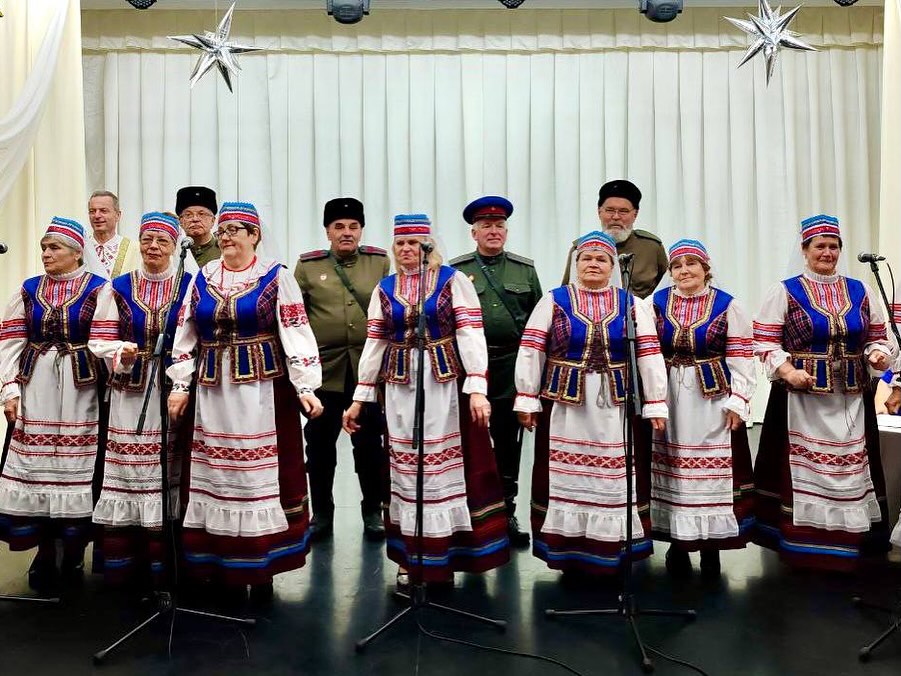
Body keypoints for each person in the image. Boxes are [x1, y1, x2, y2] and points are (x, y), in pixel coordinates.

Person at [342, 214, 510, 590]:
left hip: (443, 386)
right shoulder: (386, 288)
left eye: (414, 242)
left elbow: (470, 332)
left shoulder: (452, 281)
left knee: (443, 470)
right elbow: (376, 342)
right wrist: (360, 398)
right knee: (405, 469)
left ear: (428, 246)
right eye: (400, 243)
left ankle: (447, 554)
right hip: (400, 389)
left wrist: (477, 387)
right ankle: (412, 557)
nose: (406, 249)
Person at [167, 201, 324, 601]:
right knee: (217, 476)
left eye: (235, 230)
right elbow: (186, 332)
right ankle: (219, 564)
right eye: (222, 231)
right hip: (212, 393)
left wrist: (306, 386)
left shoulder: (275, 276)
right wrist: (180, 385)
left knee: (256, 478)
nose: (226, 237)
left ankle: (261, 567)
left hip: (261, 394)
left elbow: (295, 329)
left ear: (255, 235)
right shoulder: (203, 276)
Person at [514, 230, 668, 576]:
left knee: (612, 478)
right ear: (576, 263)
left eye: (601, 259)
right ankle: (570, 551)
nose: (593, 264)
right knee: (568, 477)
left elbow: (648, 353)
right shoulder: (554, 300)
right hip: (566, 407)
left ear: (613, 266)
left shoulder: (630, 303)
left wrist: (656, 401)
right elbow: (532, 348)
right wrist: (526, 397)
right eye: (587, 258)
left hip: (614, 407)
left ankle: (612, 548)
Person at [753, 214, 896, 572]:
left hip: (850, 398)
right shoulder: (785, 291)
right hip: (801, 400)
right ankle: (802, 541)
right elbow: (765, 341)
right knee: (805, 467)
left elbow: (877, 336)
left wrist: (878, 353)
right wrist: (789, 371)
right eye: (820, 246)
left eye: (833, 246)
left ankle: (846, 541)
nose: (827, 253)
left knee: (849, 467)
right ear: (805, 250)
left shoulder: (860, 290)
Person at [0, 217, 111, 591]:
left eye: (54, 248)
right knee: (35, 468)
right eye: (44, 248)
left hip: (80, 391)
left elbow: (105, 340)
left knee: (78, 468)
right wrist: (10, 390)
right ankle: (44, 549)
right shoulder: (30, 289)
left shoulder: (98, 289)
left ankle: (73, 548)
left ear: (77, 253)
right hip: (37, 388)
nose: (46, 254)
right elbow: (10, 342)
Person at [88, 212, 192, 589]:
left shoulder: (189, 285)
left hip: (171, 387)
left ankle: (166, 563)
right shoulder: (119, 286)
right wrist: (121, 351)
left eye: (162, 241)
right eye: (147, 239)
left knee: (167, 468)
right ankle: (127, 561)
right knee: (128, 469)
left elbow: (195, 335)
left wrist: (182, 379)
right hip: (129, 389)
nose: (153, 247)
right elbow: (99, 338)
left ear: (174, 246)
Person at [645, 239, 756, 578]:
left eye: (692, 264)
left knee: (711, 473)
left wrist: (739, 400)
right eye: (677, 266)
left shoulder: (727, 305)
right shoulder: (656, 303)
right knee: (674, 467)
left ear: (706, 269)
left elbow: (741, 356)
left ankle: (711, 546)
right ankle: (678, 543)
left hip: (711, 398)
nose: (684, 271)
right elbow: (646, 350)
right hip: (670, 397)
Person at [294, 197, 390, 541]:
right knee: (319, 447)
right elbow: (296, 320)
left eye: (353, 226)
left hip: (367, 373)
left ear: (361, 230)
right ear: (328, 231)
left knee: (369, 446)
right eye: (339, 227)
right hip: (324, 373)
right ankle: (322, 512)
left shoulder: (379, 262)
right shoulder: (307, 266)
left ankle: (372, 511)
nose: (346, 232)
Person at [450, 196, 542, 548]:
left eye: (499, 225)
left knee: (507, 443)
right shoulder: (457, 271)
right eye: (486, 226)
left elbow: (538, 322)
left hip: (509, 368)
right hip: (467, 369)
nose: (493, 231)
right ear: (473, 233)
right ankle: (469, 515)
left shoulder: (524, 270)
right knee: (468, 442)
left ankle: (506, 513)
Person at [560, 180, 667, 299]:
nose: (616, 217)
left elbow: (668, 289)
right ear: (599, 212)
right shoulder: (581, 248)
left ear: (635, 215)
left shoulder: (652, 247)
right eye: (610, 210)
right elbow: (566, 293)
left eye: (623, 211)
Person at [88, 190, 141, 278]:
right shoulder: (79, 249)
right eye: (92, 211)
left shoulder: (135, 249)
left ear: (118, 215)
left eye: (103, 211)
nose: (97, 216)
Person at [176, 186, 221, 268]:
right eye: (188, 215)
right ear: (180, 221)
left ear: (212, 221)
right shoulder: (174, 251)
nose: (195, 219)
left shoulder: (222, 250)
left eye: (201, 214)